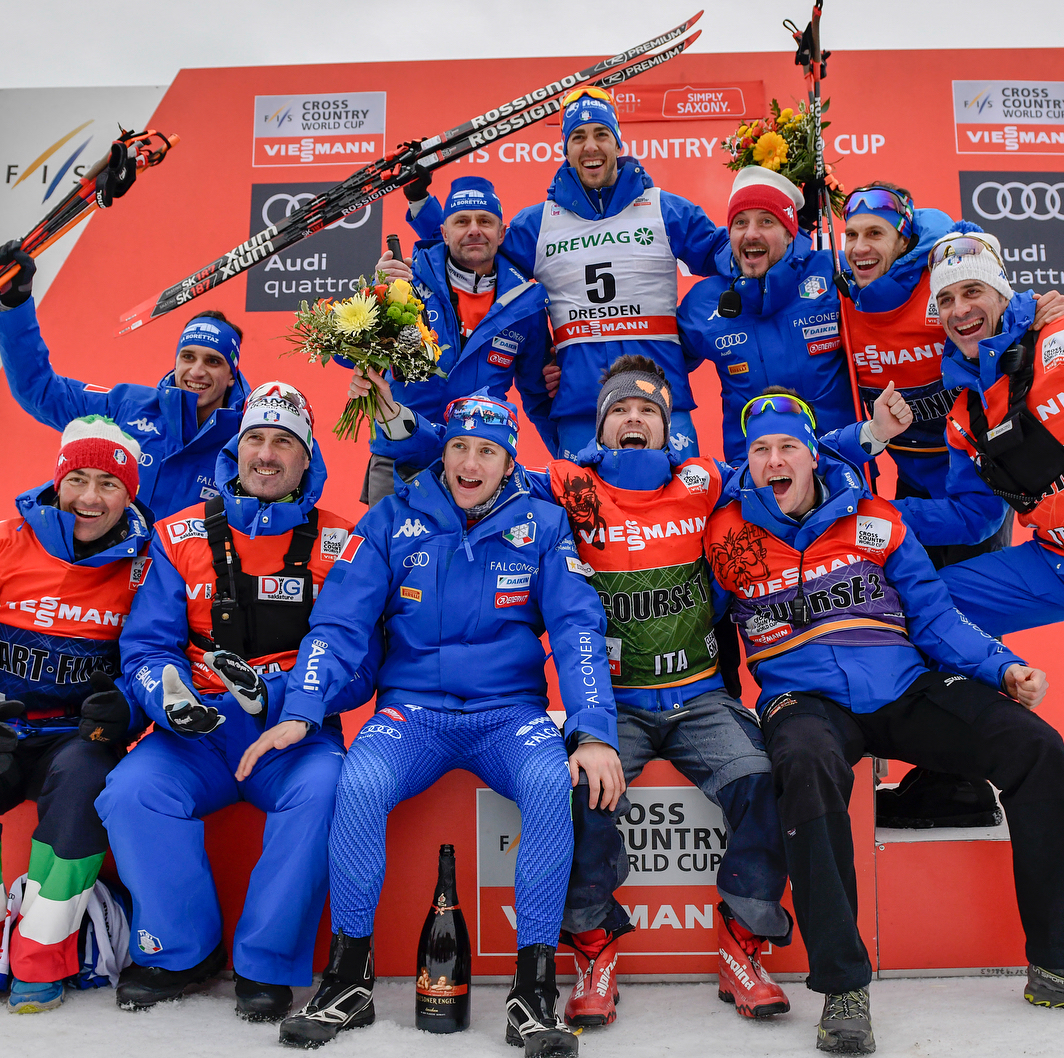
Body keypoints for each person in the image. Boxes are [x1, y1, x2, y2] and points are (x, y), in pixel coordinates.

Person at [349, 356, 911, 1029]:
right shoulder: (568, 484)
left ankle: (743, 941)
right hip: (618, 705)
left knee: (765, 779)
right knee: (583, 791)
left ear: (668, 426)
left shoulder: (702, 482)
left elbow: (783, 463)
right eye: (620, 410)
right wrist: (400, 423)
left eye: (647, 409)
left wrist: (870, 438)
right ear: (603, 426)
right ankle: (593, 949)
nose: (634, 418)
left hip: (700, 697)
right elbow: (475, 468)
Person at [236, 394, 620, 1055]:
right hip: (414, 711)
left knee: (551, 785)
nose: (471, 463)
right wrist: (301, 710)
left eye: (488, 452)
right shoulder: (392, 517)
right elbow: (339, 623)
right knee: (357, 785)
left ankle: (533, 995)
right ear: (442, 453)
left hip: (510, 714)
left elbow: (578, 629)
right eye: (460, 449)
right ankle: (349, 980)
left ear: (508, 462)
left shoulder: (546, 524)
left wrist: (592, 731)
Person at [705, 389, 1064, 1053]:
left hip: (902, 684)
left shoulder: (877, 521)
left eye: (787, 447)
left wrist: (1001, 667)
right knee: (806, 766)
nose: (773, 460)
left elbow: (935, 617)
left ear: (813, 456)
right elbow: (705, 629)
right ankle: (843, 985)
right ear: (745, 462)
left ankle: (1055, 958)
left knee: (1036, 748)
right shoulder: (724, 534)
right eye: (759, 450)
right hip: (803, 699)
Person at [95, 382, 377, 1023]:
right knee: (132, 790)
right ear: (236, 448)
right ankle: (180, 951)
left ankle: (266, 962)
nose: (268, 455)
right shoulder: (178, 535)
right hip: (198, 733)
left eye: (285, 442)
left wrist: (281, 695)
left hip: (295, 739)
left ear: (308, 458)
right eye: (256, 438)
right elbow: (146, 649)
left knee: (327, 790)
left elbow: (359, 667)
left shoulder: (345, 542)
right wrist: (170, 698)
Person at [405, 88, 727, 460]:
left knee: (678, 512)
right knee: (585, 517)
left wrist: (787, 240)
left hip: (660, 400)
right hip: (581, 406)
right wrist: (422, 205)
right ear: (566, 149)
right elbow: (472, 251)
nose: (590, 146)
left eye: (601, 134)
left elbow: (730, 255)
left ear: (618, 142)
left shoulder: (664, 209)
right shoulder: (538, 223)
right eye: (578, 137)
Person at [0, 416, 151, 1012]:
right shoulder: (10, 542)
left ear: (130, 492)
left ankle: (41, 959)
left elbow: (159, 653)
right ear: (57, 482)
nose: (90, 498)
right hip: (6, 727)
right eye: (79, 480)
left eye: (109, 484)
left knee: (86, 783)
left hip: (77, 739)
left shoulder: (146, 564)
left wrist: (130, 708)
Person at [0, 242, 251, 518]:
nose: (197, 371)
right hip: (112, 559)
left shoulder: (249, 436)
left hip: (188, 562)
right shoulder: (127, 407)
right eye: (188, 357)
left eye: (213, 361)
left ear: (231, 376)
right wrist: (15, 306)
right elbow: (40, 390)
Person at [897, 232, 1064, 641]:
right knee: (923, 600)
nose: (960, 309)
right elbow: (975, 517)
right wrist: (868, 514)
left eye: (973, 290)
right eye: (946, 300)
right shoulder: (964, 418)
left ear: (1003, 293)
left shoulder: (1056, 337)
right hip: (1055, 560)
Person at [363, 175, 555, 505]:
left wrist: (563, 451)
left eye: (485, 221)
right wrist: (375, 299)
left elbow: (538, 393)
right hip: (402, 456)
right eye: (462, 221)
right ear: (444, 231)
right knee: (389, 556)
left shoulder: (525, 301)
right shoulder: (406, 282)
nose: (474, 230)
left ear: (502, 233)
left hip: (477, 464)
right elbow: (348, 356)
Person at [679, 168, 857, 463]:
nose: (751, 233)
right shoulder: (704, 301)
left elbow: (899, 284)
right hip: (754, 477)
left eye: (766, 221)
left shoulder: (832, 272)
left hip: (839, 465)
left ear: (790, 232)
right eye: (740, 222)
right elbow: (659, 366)